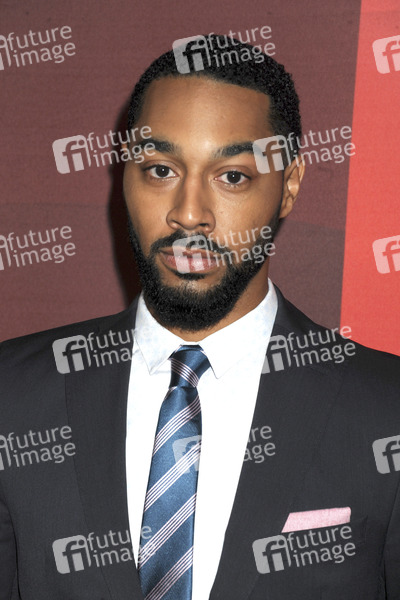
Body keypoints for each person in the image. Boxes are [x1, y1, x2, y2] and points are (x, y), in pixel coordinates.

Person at [0, 34, 399, 600]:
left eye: (232, 176)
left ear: (288, 186)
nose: (189, 214)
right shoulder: (12, 396)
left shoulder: (385, 409)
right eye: (161, 169)